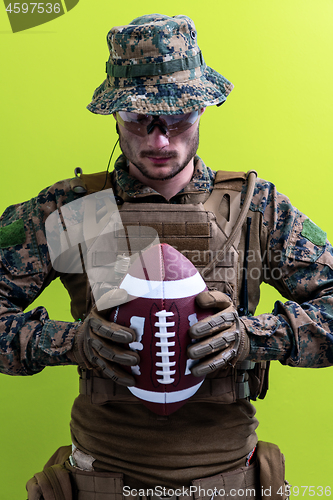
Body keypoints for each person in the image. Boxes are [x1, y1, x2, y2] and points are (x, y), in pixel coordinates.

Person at [1, 13, 333, 500]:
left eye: (178, 117)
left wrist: (254, 337)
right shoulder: (77, 210)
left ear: (203, 108)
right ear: (114, 114)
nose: (159, 139)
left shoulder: (253, 209)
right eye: (139, 119)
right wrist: (68, 342)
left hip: (229, 482)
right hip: (103, 480)